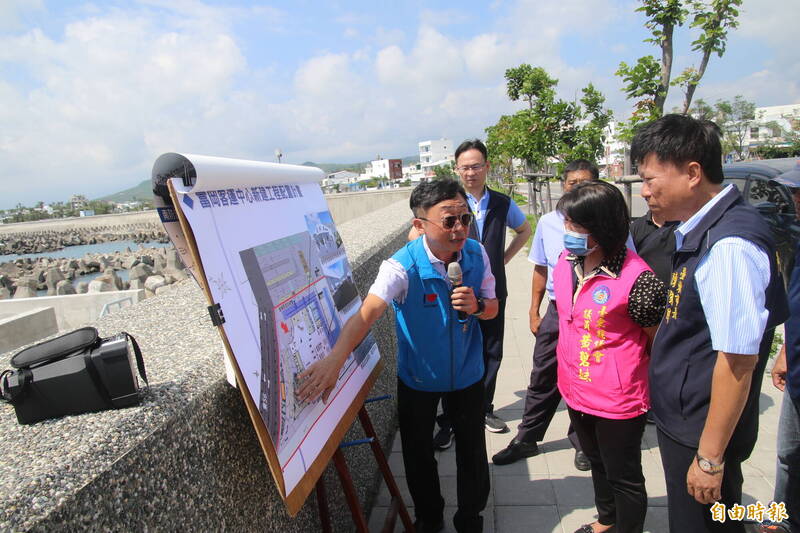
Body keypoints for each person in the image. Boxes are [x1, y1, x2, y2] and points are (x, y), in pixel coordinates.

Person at [298, 180, 498, 533]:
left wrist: (478, 306)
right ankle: (429, 516)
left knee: (472, 452)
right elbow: (368, 311)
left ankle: (470, 517)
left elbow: (493, 307)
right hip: (418, 378)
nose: (460, 229)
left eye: (465, 219)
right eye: (449, 221)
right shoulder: (400, 267)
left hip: (467, 373)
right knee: (418, 454)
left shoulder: (476, 255)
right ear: (419, 224)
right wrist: (335, 359)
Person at [631, 114, 789, 533]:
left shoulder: (730, 246)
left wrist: (709, 458)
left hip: (700, 428)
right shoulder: (701, 230)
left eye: (650, 179)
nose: (644, 191)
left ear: (692, 173)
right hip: (688, 416)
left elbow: (738, 361)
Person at [553, 180, 666, 533]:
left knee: (624, 476)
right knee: (597, 463)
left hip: (618, 400)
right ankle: (607, 519)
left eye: (576, 224)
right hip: (574, 388)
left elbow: (656, 343)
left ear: (602, 227)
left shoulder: (639, 281)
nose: (567, 231)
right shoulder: (567, 261)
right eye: (566, 222)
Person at [411, 139, 531, 447]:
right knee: (456, 351)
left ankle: (484, 409)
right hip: (455, 292)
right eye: (464, 167)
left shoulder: (503, 203)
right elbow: (416, 236)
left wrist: (502, 260)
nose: (471, 172)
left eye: (476, 166)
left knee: (492, 350)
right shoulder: (448, 203)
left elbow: (524, 230)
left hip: (491, 291)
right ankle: (448, 421)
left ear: (487, 167)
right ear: (457, 169)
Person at [494, 159, 600, 470]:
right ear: (564, 186)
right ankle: (527, 438)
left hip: (594, 313)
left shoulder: (609, 222)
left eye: (585, 183)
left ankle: (583, 442)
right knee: (542, 375)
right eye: (572, 183)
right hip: (558, 309)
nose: (578, 188)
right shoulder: (549, 223)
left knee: (585, 376)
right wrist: (533, 309)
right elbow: (541, 267)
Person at [770, 240, 800, 533]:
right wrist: (787, 350)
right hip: (796, 374)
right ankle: (782, 521)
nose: (796, 201)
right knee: (788, 455)